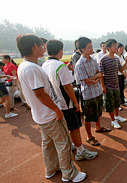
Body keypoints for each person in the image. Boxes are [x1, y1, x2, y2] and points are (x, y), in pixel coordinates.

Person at [16, 34, 86, 182]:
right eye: (42, 45)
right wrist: (56, 110)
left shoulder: (26, 66)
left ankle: (52, 168)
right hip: (49, 114)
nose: (44, 48)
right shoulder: (31, 68)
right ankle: (70, 173)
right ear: (35, 46)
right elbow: (40, 93)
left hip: (41, 114)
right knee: (64, 143)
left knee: (48, 144)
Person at [42, 39, 98, 160]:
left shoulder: (45, 65)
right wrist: (76, 103)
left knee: (65, 127)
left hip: (55, 102)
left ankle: (73, 146)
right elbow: (67, 87)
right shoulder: (60, 66)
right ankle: (80, 152)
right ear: (60, 51)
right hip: (66, 103)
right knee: (74, 128)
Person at [74, 37, 108, 147]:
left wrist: (96, 78)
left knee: (98, 112)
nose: (91, 49)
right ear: (82, 49)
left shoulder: (93, 60)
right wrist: (96, 77)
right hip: (88, 95)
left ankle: (98, 127)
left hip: (97, 91)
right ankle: (89, 136)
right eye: (89, 47)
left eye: (92, 46)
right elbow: (87, 81)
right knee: (88, 117)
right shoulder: (79, 64)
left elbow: (99, 74)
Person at [99, 39, 127, 129]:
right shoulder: (103, 59)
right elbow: (101, 74)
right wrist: (103, 86)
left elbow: (120, 69)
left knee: (117, 102)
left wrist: (126, 62)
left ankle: (117, 116)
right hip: (108, 86)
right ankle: (113, 120)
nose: (116, 47)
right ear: (108, 48)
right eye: (113, 46)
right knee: (110, 104)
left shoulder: (116, 58)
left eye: (116, 45)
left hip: (116, 84)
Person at [115, 43, 127, 107]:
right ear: (117, 49)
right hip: (118, 75)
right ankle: (119, 104)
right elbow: (118, 68)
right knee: (119, 90)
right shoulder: (116, 57)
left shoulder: (121, 56)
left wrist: (125, 71)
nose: (121, 49)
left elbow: (123, 65)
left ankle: (122, 101)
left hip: (122, 74)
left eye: (122, 48)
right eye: (120, 48)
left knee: (122, 89)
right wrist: (123, 72)